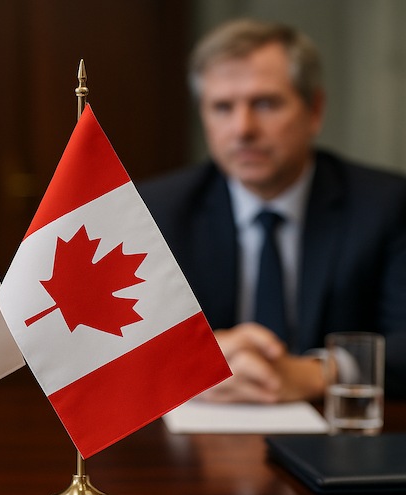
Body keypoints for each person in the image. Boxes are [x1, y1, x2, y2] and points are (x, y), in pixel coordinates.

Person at [139, 18, 406, 403]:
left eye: (265, 104)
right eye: (222, 107)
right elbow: (114, 343)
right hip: (201, 425)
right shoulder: (158, 211)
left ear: (314, 110)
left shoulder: (385, 205)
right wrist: (197, 354)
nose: (243, 128)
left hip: (331, 429)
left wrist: (317, 373)